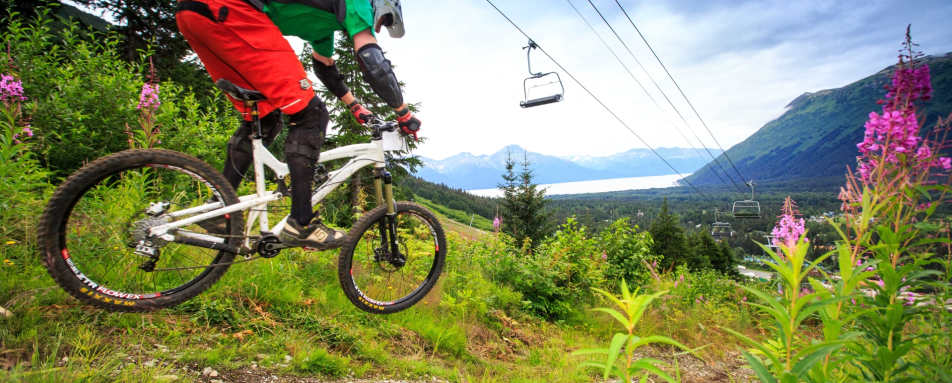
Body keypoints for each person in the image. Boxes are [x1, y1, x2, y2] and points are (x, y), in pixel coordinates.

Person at [175, 0, 420, 249]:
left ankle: (219, 208)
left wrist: (354, 105)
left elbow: (324, 66)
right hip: (233, 11)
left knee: (264, 118)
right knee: (312, 114)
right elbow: (372, 60)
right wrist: (402, 112)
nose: (378, 29)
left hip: (195, 15)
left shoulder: (325, 26)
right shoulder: (359, 3)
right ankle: (301, 223)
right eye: (385, 20)